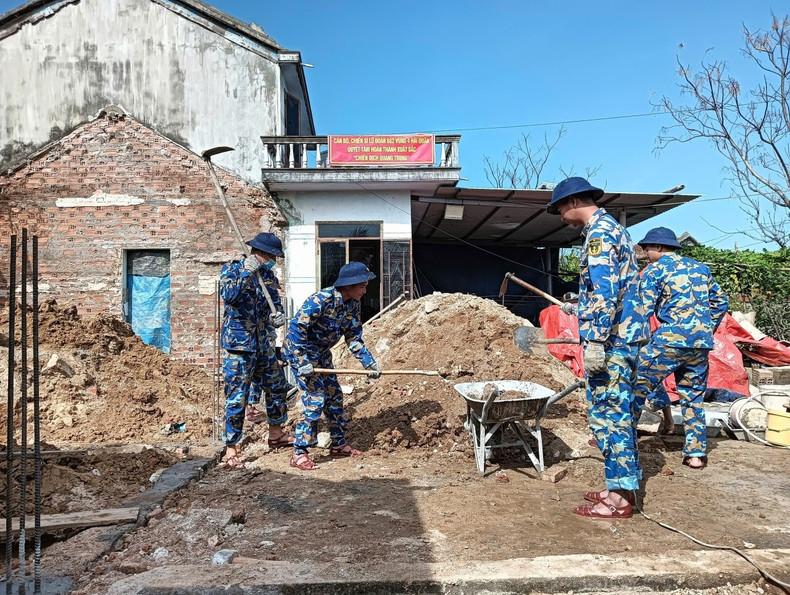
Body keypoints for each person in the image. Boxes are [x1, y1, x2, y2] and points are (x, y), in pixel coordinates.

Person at [548, 177, 648, 519]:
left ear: (574, 201)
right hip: (622, 337)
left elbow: (605, 295)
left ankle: (620, 501)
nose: (560, 214)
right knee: (613, 417)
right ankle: (617, 487)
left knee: (610, 419)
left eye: (560, 207)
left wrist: (595, 342)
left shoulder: (599, 234)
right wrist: (578, 308)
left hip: (613, 344)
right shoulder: (613, 229)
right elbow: (610, 292)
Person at [633, 227, 728, 469]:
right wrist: (704, 329)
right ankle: (695, 455)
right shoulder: (700, 268)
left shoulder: (655, 270)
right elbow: (721, 301)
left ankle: (623, 440)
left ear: (659, 248)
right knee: (693, 399)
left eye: (646, 248)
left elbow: (642, 309)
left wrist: (635, 340)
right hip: (700, 346)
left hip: (669, 342)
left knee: (635, 387)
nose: (644, 252)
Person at [284, 261, 382, 471]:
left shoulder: (352, 305)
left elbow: (353, 337)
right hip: (301, 352)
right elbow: (296, 329)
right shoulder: (321, 300)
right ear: (348, 286)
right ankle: (299, 452)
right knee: (315, 398)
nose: (365, 291)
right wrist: (302, 362)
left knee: (334, 396)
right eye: (362, 286)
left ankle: (338, 444)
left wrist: (369, 363)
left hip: (321, 354)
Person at [219, 232, 294, 469]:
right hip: (239, 345)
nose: (273, 260)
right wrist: (246, 272)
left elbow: (274, 304)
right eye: (271, 256)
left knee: (277, 386)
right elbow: (229, 296)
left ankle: (276, 434)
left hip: (263, 344)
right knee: (237, 397)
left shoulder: (269, 276)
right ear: (260, 253)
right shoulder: (233, 269)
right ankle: (232, 448)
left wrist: (277, 317)